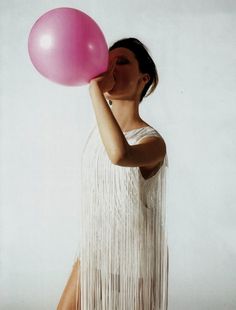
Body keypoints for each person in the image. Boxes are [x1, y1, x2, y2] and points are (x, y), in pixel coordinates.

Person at [57, 37, 169, 310]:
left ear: (144, 78)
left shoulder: (152, 142)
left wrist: (94, 91)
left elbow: (121, 154)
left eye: (121, 62)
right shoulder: (97, 136)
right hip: (96, 251)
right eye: (106, 63)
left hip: (138, 261)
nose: (110, 70)